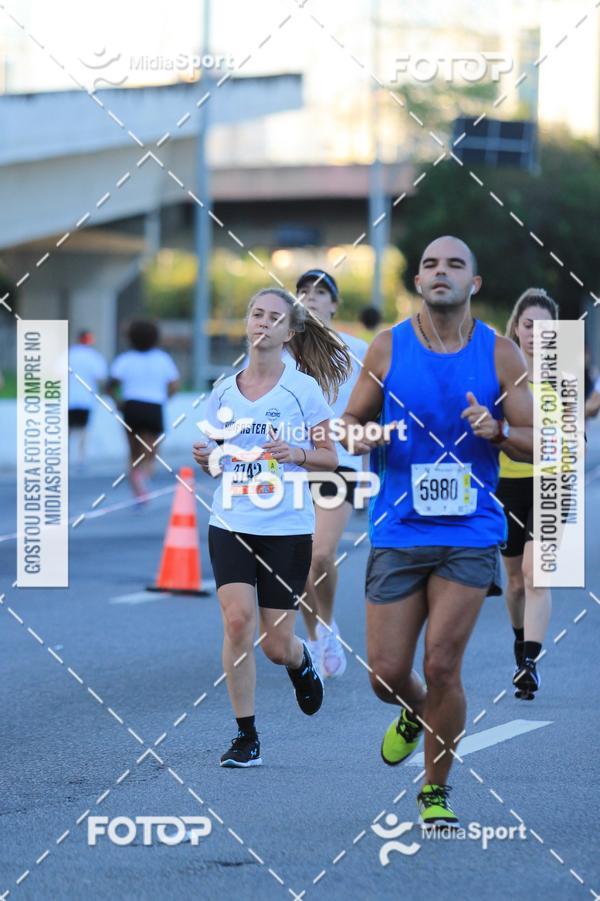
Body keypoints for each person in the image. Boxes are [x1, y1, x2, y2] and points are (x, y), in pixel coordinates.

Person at [340, 235, 533, 827]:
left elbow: (540, 441)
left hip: (471, 530)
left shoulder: (501, 355)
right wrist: (362, 436)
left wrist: (499, 432)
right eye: (429, 264)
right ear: (418, 283)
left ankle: (434, 790)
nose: (440, 271)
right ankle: (416, 711)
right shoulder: (386, 348)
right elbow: (349, 423)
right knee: (387, 673)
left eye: (454, 264)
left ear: (473, 283)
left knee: (444, 664)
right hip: (399, 528)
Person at [192, 287, 351, 768]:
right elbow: (217, 459)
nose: (263, 322)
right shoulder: (223, 390)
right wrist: (208, 459)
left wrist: (297, 454)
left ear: (289, 332)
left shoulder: (302, 390)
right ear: (247, 322)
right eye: (256, 313)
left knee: (275, 644)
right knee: (237, 622)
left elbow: (330, 459)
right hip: (231, 521)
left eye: (274, 317)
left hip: (285, 527)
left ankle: (302, 662)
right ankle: (246, 737)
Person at [295, 269, 368, 677]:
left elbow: (376, 404)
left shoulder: (356, 349)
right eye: (303, 292)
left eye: (320, 292)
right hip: (288, 465)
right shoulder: (284, 354)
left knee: (320, 554)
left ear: (335, 303)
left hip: (338, 463)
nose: (311, 298)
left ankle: (327, 623)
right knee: (296, 563)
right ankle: (318, 635)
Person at [498, 289, 559, 699]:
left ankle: (531, 664)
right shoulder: (501, 374)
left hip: (553, 482)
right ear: (517, 329)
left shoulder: (565, 373)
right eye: (529, 325)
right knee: (515, 581)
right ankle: (520, 646)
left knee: (537, 574)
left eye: (545, 327)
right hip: (507, 484)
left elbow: (577, 433)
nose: (536, 334)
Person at [108, 320, 180, 500]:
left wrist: (118, 401)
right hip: (153, 406)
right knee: (152, 450)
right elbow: (173, 384)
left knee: (133, 451)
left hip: (131, 407)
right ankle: (143, 479)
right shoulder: (162, 358)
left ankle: (136, 483)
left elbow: (111, 385)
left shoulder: (125, 359)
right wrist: (165, 398)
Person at [68, 330, 108, 467]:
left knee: (68, 428)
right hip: (86, 398)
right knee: (83, 430)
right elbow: (101, 377)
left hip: (69, 397)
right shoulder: (94, 357)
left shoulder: (69, 354)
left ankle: (64, 457)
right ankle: (80, 458)